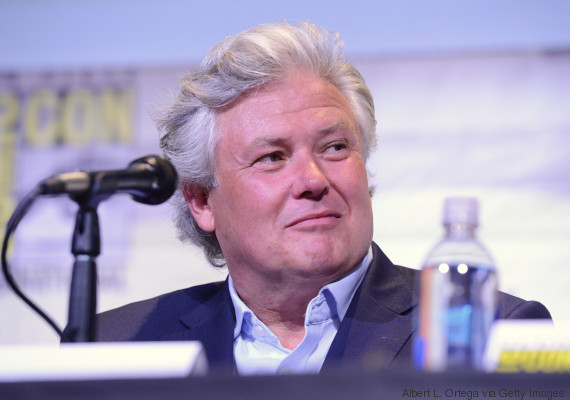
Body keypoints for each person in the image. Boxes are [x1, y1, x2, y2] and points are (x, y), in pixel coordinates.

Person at [93, 21, 551, 374]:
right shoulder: (117, 347)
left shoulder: (496, 333)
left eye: (335, 148)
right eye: (272, 157)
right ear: (202, 202)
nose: (313, 179)